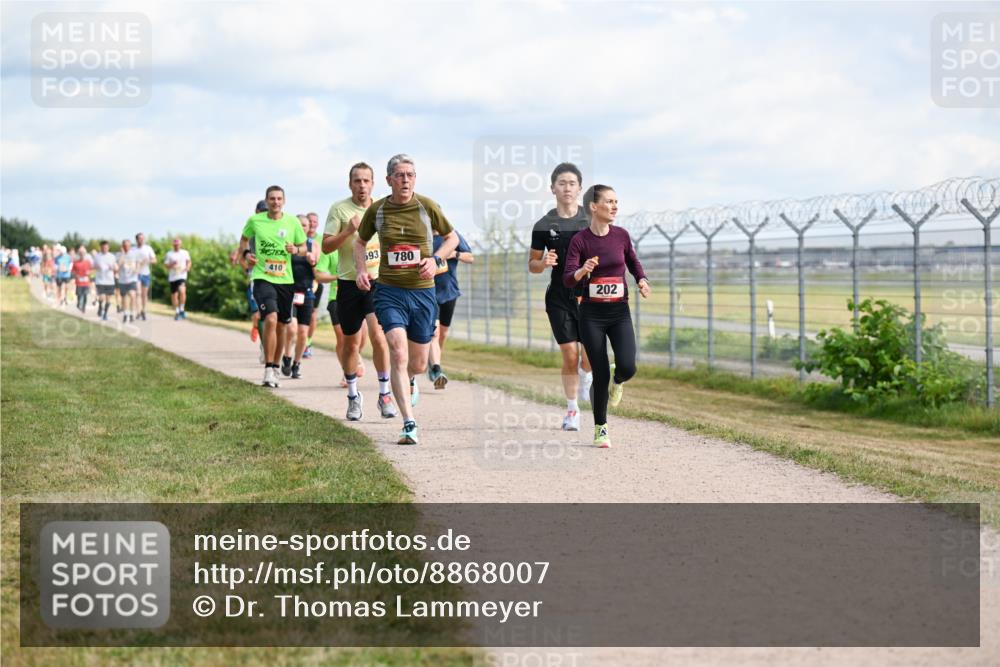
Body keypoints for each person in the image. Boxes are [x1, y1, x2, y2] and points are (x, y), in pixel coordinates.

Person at [355, 154, 458, 445]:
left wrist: (435, 259)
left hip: (424, 293)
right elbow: (360, 242)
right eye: (400, 175)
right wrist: (362, 269)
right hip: (389, 291)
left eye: (410, 175)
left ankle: (412, 379)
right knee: (397, 353)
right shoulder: (378, 210)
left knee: (418, 364)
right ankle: (409, 423)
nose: (405, 180)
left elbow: (451, 238)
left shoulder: (427, 206)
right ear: (389, 180)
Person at [564, 185, 650, 448]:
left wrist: (642, 280)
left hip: (619, 312)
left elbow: (633, 262)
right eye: (609, 202)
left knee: (628, 365)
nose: (614, 207)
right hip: (591, 315)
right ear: (593, 206)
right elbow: (568, 278)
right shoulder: (580, 241)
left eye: (616, 202)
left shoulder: (621, 236)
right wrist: (582, 270)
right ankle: (601, 427)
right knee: (599, 372)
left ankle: (619, 379)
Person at [323, 162, 397, 421]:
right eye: (357, 181)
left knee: (379, 336)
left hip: (378, 282)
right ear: (350, 184)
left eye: (366, 181)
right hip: (348, 283)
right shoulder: (339, 209)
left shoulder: (383, 209)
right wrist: (348, 231)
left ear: (373, 184)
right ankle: (353, 396)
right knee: (351, 342)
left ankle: (385, 394)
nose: (362, 185)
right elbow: (326, 248)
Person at [529, 162, 593, 432]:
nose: (567, 188)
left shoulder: (591, 221)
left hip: (589, 296)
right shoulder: (544, 225)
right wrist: (543, 262)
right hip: (558, 297)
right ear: (553, 188)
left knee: (588, 358)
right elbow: (532, 265)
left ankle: (586, 377)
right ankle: (572, 411)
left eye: (572, 183)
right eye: (562, 183)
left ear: (580, 188)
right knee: (569, 355)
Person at [239, 185, 307, 388]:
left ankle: (276, 367)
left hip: (285, 280)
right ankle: (268, 368)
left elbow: (304, 248)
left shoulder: (292, 222)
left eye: (279, 199)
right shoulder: (255, 221)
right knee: (270, 317)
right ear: (266, 201)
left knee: (282, 325)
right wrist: (245, 255)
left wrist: (295, 249)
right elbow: (243, 241)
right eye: (272, 199)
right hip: (262, 277)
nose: (275, 202)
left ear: (283, 201)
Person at [426, 229, 473, 390]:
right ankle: (437, 369)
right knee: (435, 332)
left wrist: (454, 254)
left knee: (442, 334)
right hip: (429, 293)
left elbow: (470, 257)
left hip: (448, 292)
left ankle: (434, 362)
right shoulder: (422, 236)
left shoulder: (452, 236)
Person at [282, 214, 318, 379]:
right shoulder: (287, 245)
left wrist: (313, 261)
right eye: (299, 225)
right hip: (290, 291)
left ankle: (296, 363)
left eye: (305, 225)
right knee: (292, 328)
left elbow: (317, 269)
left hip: (307, 293)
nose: (303, 227)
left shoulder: (312, 245)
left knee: (303, 332)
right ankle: (287, 356)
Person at [164, 237, 192, 320]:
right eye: (175, 244)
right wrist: (171, 264)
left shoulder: (185, 252)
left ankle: (182, 309)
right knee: (174, 296)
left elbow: (189, 261)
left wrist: (188, 267)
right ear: (173, 245)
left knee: (182, 291)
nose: (177, 246)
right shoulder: (169, 254)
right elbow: (166, 265)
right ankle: (177, 311)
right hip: (173, 277)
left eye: (178, 244)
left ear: (180, 244)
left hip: (182, 275)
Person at [116, 239, 142, 322]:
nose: (126, 247)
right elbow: (118, 266)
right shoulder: (119, 255)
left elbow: (138, 263)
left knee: (132, 295)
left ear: (130, 246)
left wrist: (137, 270)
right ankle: (125, 314)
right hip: (122, 280)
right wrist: (123, 254)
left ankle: (131, 314)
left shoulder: (134, 254)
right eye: (124, 246)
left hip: (132, 279)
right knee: (124, 297)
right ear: (122, 246)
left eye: (127, 246)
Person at [134, 232, 157, 320]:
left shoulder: (148, 248)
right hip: (136, 274)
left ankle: (143, 310)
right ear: (136, 240)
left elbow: (155, 260)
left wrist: (148, 261)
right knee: (138, 293)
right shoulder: (133, 250)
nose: (141, 240)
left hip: (146, 274)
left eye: (143, 238)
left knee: (144, 294)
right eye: (140, 238)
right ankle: (138, 311)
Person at [92, 241, 117, 321]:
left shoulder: (112, 256)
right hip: (100, 280)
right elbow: (93, 266)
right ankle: (100, 306)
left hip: (110, 281)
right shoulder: (97, 256)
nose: (104, 249)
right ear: (100, 247)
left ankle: (105, 313)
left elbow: (116, 267)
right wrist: (97, 266)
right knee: (102, 296)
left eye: (106, 247)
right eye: (103, 247)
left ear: (108, 247)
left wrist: (113, 268)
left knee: (108, 299)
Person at [71, 246, 93, 312]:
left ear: (85, 254)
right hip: (79, 282)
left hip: (86, 282)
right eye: (81, 253)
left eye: (83, 253)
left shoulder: (88, 262)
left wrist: (90, 273)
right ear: (79, 254)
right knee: (79, 295)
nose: (82, 254)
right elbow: (72, 271)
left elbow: (92, 271)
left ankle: (83, 307)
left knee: (85, 295)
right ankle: (78, 303)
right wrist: (75, 275)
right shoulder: (75, 262)